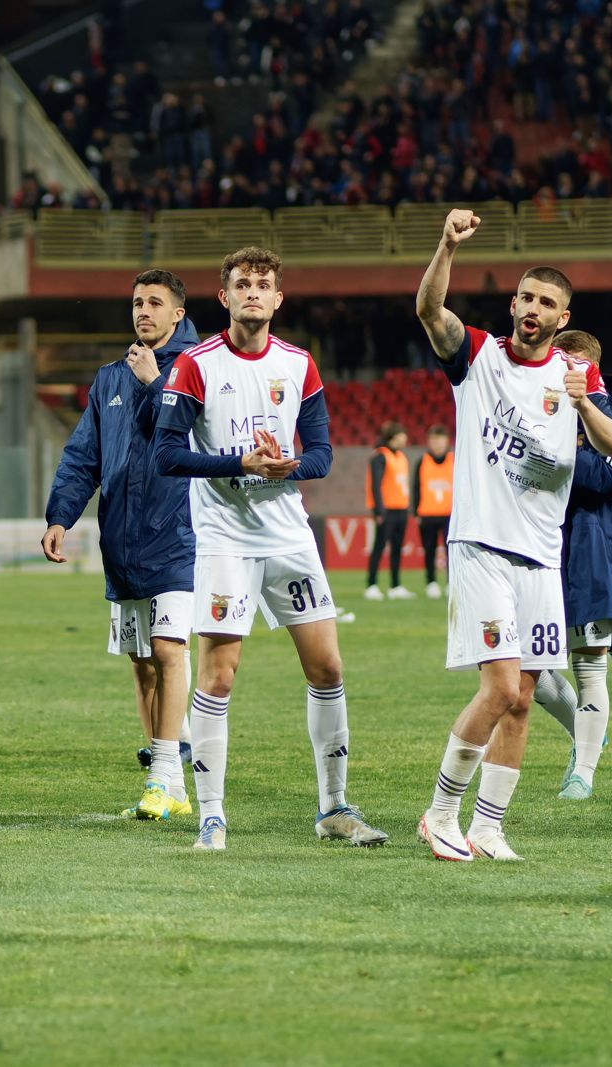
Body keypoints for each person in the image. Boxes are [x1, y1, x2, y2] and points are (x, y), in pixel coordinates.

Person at [157, 245, 387, 852]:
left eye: (263, 284)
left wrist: (290, 468)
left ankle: (334, 808)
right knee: (220, 674)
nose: (253, 292)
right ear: (225, 296)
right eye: (242, 284)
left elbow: (322, 452)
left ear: (279, 298)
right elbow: (166, 453)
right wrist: (239, 461)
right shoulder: (195, 364)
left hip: (288, 534)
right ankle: (211, 814)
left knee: (328, 667)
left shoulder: (299, 364)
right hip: (225, 538)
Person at [412, 208, 612, 862]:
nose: (534, 307)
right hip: (482, 546)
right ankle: (441, 812)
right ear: (513, 304)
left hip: (542, 557)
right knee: (501, 687)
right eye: (527, 296)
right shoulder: (479, 355)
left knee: (525, 699)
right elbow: (429, 309)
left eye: (548, 302)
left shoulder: (576, 377)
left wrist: (584, 399)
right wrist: (447, 245)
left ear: (564, 318)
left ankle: (490, 823)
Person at [42, 269, 198, 821]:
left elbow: (189, 437)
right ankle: (173, 780)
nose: (143, 311)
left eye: (155, 303)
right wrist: (61, 515)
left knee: (168, 651)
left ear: (178, 313)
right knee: (140, 662)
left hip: (181, 533)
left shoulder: (198, 368)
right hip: (122, 541)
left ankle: (164, 773)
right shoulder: (110, 378)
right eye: (137, 302)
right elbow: (83, 456)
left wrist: (158, 382)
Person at [538, 331, 612, 801]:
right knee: (525, 673)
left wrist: (547, 456)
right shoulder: (542, 409)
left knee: (589, 668)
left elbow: (606, 476)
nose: (566, 370)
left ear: (591, 366)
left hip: (592, 557)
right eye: (561, 361)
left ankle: (584, 772)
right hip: (537, 554)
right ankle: (585, 735)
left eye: (574, 362)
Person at [364, 421, 413, 600]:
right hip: (387, 510)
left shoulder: (401, 457)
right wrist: (379, 510)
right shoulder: (380, 456)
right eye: (402, 435)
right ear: (394, 437)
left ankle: (395, 585)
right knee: (379, 546)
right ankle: (371, 584)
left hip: (401, 508)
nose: (405, 438)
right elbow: (375, 485)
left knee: (397, 548)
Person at [412, 423, 453, 597]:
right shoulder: (423, 460)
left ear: (446, 441)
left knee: (452, 551)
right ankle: (431, 582)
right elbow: (416, 486)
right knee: (428, 550)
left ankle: (452, 582)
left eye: (439, 440)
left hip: (449, 514)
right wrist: (415, 511)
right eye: (433, 440)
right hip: (427, 514)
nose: (436, 444)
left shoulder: (454, 459)